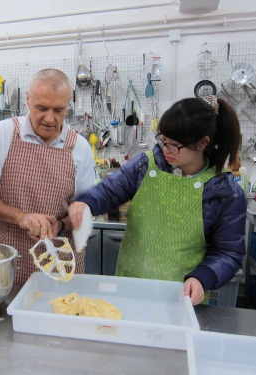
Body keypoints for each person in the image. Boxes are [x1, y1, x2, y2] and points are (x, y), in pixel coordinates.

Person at [68, 96, 246, 305]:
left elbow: (228, 252)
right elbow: (110, 191)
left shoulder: (224, 191)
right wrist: (86, 202)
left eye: (174, 145)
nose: (165, 149)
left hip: (180, 296)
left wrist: (202, 277)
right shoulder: (146, 166)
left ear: (203, 143)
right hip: (130, 286)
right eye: (163, 140)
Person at [0, 68, 95, 284]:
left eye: (59, 110)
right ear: (28, 99)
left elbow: (84, 209)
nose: (49, 118)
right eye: (42, 108)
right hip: (6, 260)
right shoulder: (3, 134)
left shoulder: (80, 148)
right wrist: (21, 217)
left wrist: (61, 224)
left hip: (58, 263)